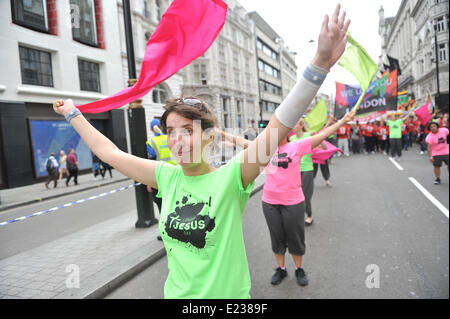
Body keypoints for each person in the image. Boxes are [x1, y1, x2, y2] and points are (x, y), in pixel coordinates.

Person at [52, 4, 349, 298]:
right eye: (170, 132)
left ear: (208, 138)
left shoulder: (232, 178)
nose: (177, 139)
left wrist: (319, 65)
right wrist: (73, 114)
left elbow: (276, 128)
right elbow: (110, 153)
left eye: (187, 130)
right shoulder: (166, 177)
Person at [263, 111, 355, 287]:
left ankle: (299, 269)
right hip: (270, 202)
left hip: (293, 202)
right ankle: (280, 269)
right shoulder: (264, 150)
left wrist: (342, 121)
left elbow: (322, 135)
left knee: (295, 237)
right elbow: (243, 144)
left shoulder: (296, 146)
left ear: (285, 134)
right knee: (277, 237)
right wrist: (221, 135)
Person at [146, 118, 176, 241]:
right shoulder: (170, 139)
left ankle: (166, 233)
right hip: (175, 177)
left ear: (151, 129)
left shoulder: (151, 143)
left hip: (160, 180)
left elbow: (151, 163)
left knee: (162, 208)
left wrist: (149, 182)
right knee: (174, 205)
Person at [290, 119, 316, 226]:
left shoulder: (308, 137)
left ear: (301, 125)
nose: (293, 126)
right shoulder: (291, 139)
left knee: (305, 195)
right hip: (294, 171)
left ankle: (309, 215)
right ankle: (299, 216)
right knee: (295, 195)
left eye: (295, 123)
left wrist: (318, 137)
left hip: (307, 169)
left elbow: (323, 147)